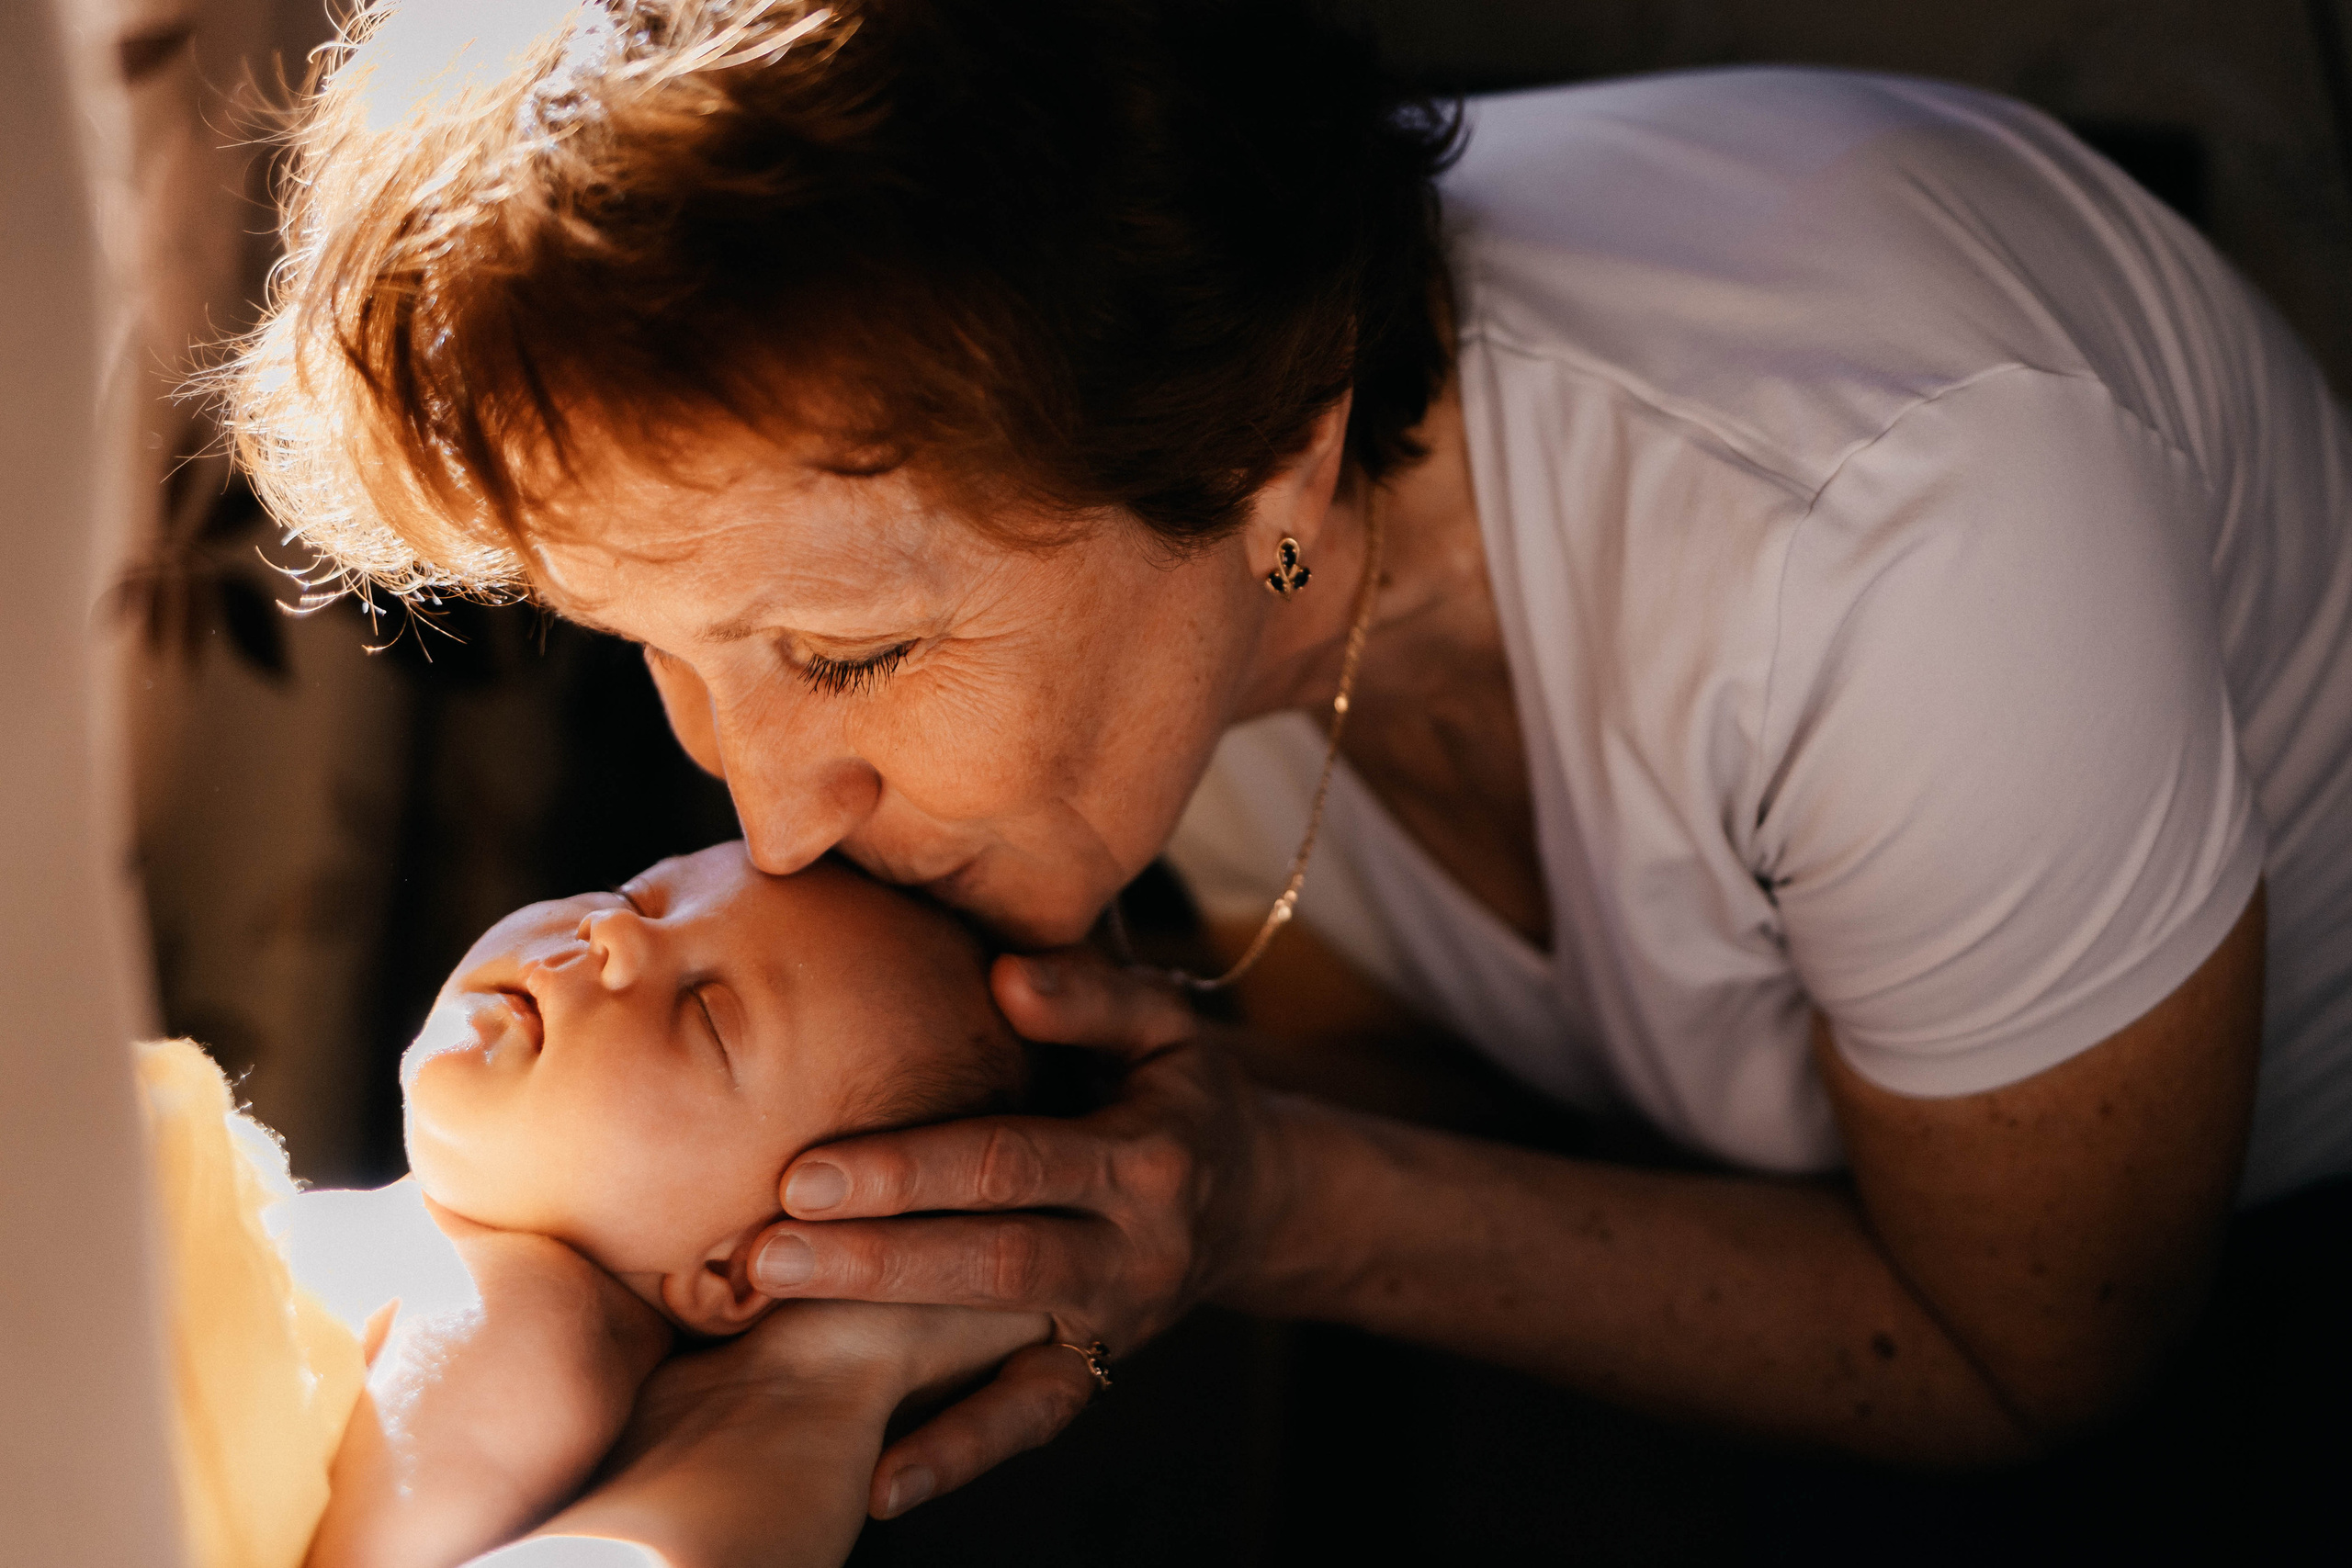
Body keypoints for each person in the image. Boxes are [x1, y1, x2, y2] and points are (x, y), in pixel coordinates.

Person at [217, 0, 2352, 1540]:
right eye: (661, 654)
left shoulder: (1905, 527)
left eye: (845, 650)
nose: (765, 814)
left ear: (1273, 463)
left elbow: (2030, 1346)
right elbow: (1393, 1055)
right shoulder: (1138, 576)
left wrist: (1274, 1201)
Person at [160, 843, 1057, 1568]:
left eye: (705, 1014)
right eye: (634, 897)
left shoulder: (530, 1319)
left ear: (735, 1269)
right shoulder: (446, 1251)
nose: (608, 938)